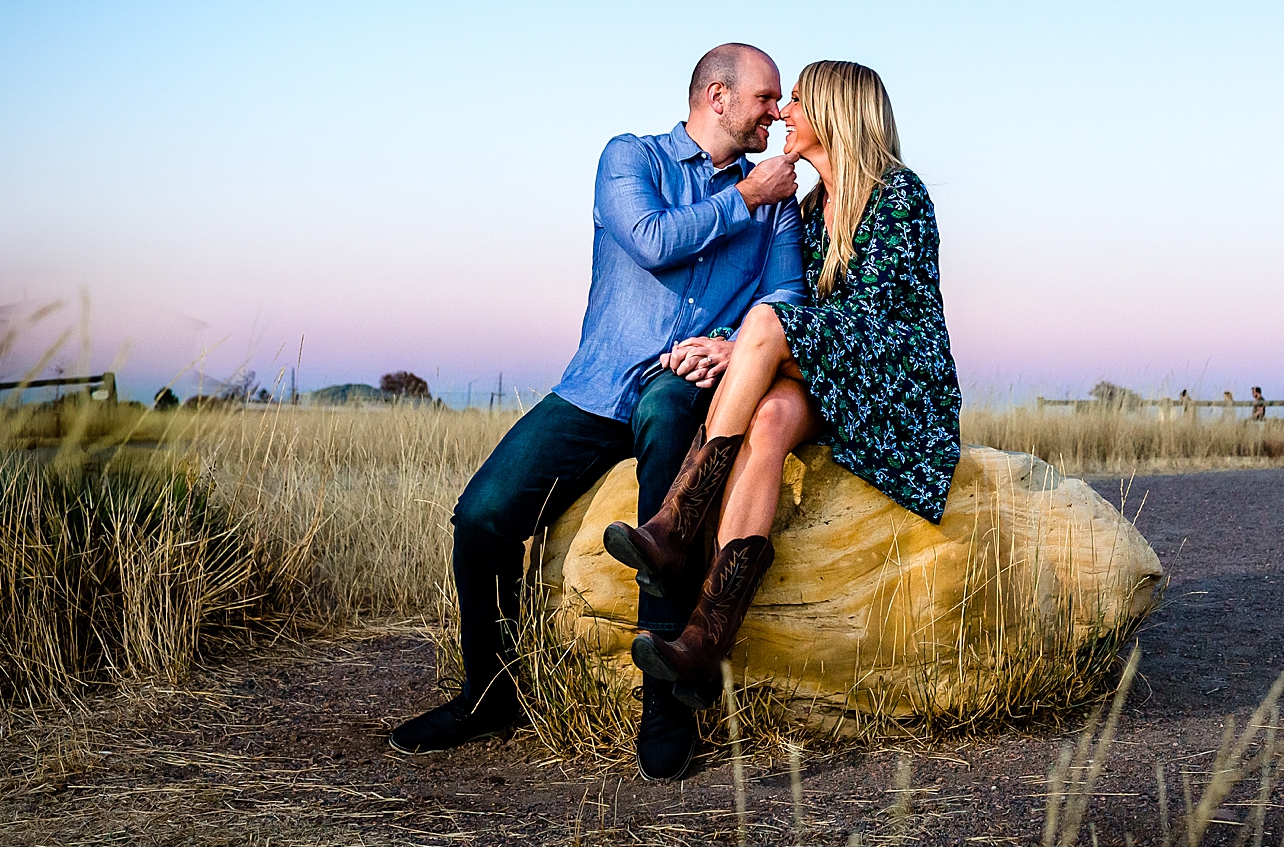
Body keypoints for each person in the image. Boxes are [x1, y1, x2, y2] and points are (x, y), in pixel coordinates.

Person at [387, 43, 805, 781]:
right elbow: (649, 241)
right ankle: (489, 696)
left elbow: (787, 298)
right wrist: (743, 199)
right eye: (766, 97)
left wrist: (733, 343)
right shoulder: (630, 159)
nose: (778, 112)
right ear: (716, 95)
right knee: (481, 514)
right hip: (597, 385)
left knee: (671, 434)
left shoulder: (775, 202)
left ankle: (666, 700)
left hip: (687, 385)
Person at [606, 60, 963, 711]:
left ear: (832, 113)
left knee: (766, 321)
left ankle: (678, 524)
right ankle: (706, 639)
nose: (782, 113)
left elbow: (876, 318)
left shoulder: (897, 194)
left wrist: (746, 342)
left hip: (898, 381)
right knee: (768, 417)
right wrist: (734, 345)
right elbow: (802, 318)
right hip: (833, 373)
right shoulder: (809, 208)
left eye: (795, 100)